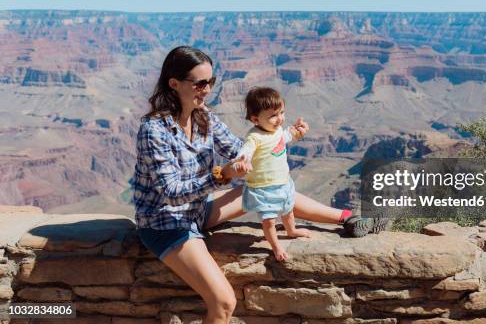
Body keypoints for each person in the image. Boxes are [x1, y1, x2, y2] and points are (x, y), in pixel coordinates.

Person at [131, 45, 387, 324]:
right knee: (224, 302)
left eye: (211, 82)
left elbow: (240, 151)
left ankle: (348, 219)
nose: (208, 89)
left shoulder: (204, 117)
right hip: (166, 224)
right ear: (174, 83)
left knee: (265, 188)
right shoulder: (153, 130)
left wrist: (277, 140)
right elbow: (171, 193)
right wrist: (221, 175)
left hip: (196, 211)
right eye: (201, 83)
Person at [233, 86, 312, 261]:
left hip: (283, 183)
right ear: (255, 119)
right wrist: (242, 160)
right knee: (269, 221)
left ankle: (291, 230)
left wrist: (297, 131)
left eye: (282, 113)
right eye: (273, 116)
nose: (279, 119)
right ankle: (276, 246)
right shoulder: (254, 136)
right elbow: (247, 150)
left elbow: (286, 136)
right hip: (263, 188)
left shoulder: (276, 130)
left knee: (288, 210)